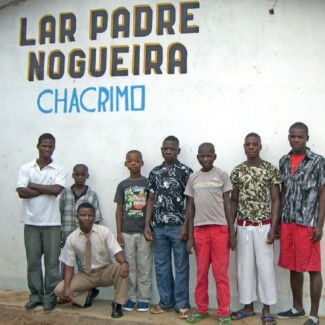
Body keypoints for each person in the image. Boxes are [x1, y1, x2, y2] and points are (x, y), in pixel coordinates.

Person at [276, 122, 325, 325]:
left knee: (313, 267)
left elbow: (323, 193)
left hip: (307, 222)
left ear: (307, 138)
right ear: (289, 137)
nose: (296, 140)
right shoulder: (284, 161)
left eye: (300, 137)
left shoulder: (318, 161)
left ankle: (313, 315)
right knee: (293, 266)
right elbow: (283, 191)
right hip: (288, 221)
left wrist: (320, 225)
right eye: (293, 136)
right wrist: (278, 222)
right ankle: (297, 308)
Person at [230, 133, 281, 325]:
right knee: (244, 267)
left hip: (264, 226)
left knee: (265, 267)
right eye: (248, 144)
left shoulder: (270, 170)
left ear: (260, 147)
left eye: (255, 144)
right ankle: (248, 306)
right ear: (244, 147)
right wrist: (231, 229)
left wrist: (273, 227)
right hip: (243, 227)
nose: (251, 147)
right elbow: (233, 200)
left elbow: (276, 199)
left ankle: (267, 309)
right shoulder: (237, 171)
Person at [185, 142, 236, 325]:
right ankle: (201, 308)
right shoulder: (193, 178)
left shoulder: (222, 175)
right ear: (198, 157)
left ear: (215, 156)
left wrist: (231, 232)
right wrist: (190, 235)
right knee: (201, 272)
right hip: (199, 230)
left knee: (220, 273)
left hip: (220, 229)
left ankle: (223, 312)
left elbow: (228, 205)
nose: (205, 159)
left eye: (209, 155)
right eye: (202, 156)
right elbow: (189, 207)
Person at [16, 133, 67, 311]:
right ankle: (35, 295)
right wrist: (46, 189)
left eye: (50, 146)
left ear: (54, 148)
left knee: (52, 263)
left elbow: (57, 190)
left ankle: (49, 296)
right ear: (38, 146)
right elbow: (21, 192)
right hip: (30, 222)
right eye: (44, 146)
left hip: (52, 223)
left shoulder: (58, 169)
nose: (47, 149)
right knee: (33, 262)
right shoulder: (26, 168)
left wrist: (33, 185)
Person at [144, 135, 192, 319]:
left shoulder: (186, 171)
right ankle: (166, 302)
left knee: (181, 266)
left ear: (178, 150)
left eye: (172, 148)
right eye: (166, 148)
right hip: (158, 227)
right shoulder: (155, 172)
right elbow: (150, 199)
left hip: (178, 226)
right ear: (162, 150)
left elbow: (190, 202)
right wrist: (147, 225)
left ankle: (182, 304)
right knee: (162, 266)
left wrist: (187, 226)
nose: (169, 151)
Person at [54, 202, 129, 318]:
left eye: (90, 215)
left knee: (122, 268)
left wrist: (124, 262)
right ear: (77, 216)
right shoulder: (72, 238)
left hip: (105, 271)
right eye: (83, 215)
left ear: (94, 217)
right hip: (87, 275)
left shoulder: (104, 232)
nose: (87, 218)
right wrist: (67, 287)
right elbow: (69, 266)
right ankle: (87, 297)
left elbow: (116, 251)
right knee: (59, 290)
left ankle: (118, 305)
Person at [114, 150, 152, 312]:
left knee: (144, 265)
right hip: (127, 232)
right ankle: (131, 297)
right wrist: (118, 232)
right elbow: (119, 209)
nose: (134, 163)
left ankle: (144, 298)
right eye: (130, 161)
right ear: (126, 164)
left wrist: (149, 227)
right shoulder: (123, 185)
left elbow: (152, 206)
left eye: (137, 161)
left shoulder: (148, 183)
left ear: (142, 163)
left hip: (143, 233)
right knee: (129, 266)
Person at [60, 164, 102, 248]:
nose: (80, 177)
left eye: (83, 175)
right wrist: (60, 236)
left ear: (87, 176)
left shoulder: (92, 195)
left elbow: (96, 218)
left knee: (85, 259)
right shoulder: (65, 193)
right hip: (67, 236)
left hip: (85, 237)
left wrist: (91, 236)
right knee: (67, 260)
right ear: (73, 176)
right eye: (77, 174)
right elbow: (59, 214)